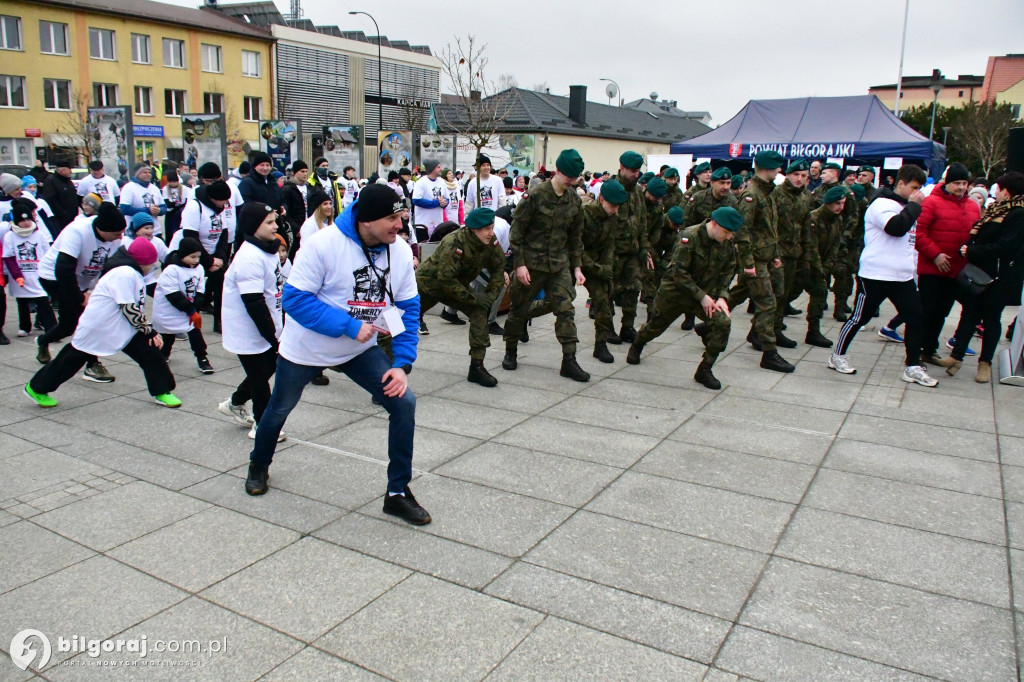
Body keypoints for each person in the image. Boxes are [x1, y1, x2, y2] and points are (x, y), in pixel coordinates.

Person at [244, 185, 428, 530]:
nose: (399, 225)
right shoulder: (324, 244)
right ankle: (259, 463)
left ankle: (397, 493)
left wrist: (402, 364)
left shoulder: (399, 251)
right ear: (367, 220)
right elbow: (296, 300)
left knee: (404, 403)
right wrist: (346, 325)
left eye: (401, 217)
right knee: (279, 408)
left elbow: (407, 308)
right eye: (391, 219)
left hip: (359, 349)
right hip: (306, 349)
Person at [24, 238, 181, 409]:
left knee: (149, 352)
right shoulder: (125, 273)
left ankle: (162, 390)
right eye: (152, 264)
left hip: (121, 325)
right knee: (71, 360)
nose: (152, 268)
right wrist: (148, 330)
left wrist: (146, 331)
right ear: (144, 262)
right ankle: (37, 388)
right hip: (99, 327)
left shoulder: (131, 272)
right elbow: (128, 307)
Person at [829, 164, 939, 387]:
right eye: (914, 187)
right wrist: (915, 207)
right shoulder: (882, 204)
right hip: (876, 274)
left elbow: (909, 238)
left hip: (902, 276)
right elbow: (896, 228)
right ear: (900, 183)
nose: (918, 193)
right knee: (860, 317)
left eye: (920, 188)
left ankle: (913, 366)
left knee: (916, 317)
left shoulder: (908, 206)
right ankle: (837, 355)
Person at [627, 206, 742, 390]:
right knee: (655, 327)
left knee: (723, 323)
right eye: (727, 232)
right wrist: (703, 296)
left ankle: (705, 369)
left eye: (731, 234)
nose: (729, 237)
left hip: (703, 295)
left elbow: (728, 270)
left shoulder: (726, 242)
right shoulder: (690, 237)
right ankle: (638, 343)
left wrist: (722, 296)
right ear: (714, 224)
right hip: (675, 293)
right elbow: (678, 272)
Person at [501, 149, 590, 382]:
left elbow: (575, 238)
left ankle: (569, 360)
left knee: (566, 309)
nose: (572, 181)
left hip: (559, 265)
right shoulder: (535, 195)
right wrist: (519, 264)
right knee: (518, 309)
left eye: (575, 177)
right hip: (531, 264)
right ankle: (511, 351)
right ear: (557, 171)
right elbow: (517, 231)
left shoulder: (574, 200)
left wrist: (577, 267)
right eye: (569, 175)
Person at [945, 171, 1024, 382]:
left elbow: (1006, 246)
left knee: (990, 318)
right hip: (980, 272)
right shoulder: (995, 210)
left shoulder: (1018, 213)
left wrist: (971, 252)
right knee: (969, 314)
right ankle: (956, 357)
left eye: (998, 188)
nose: (995, 192)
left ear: (1006, 191)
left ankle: (985, 362)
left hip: (1000, 276)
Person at [416, 208, 507, 386]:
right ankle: (385, 372)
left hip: (456, 285)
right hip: (429, 285)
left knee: (479, 311)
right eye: (486, 229)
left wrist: (490, 295)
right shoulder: (454, 242)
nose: (491, 233)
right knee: (402, 323)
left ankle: (477, 367)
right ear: (474, 229)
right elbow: (445, 279)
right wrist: (475, 299)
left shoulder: (490, 240)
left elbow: (499, 267)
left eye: (492, 227)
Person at [35, 202, 125, 380]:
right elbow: (63, 269)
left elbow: (110, 267)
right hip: (54, 278)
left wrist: (99, 292)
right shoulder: (77, 231)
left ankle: (43, 340)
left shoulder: (115, 237)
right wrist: (79, 297)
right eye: (116, 233)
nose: (120, 237)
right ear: (103, 229)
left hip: (82, 280)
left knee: (69, 326)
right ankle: (92, 364)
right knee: (86, 320)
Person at [219, 203, 286, 440]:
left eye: (274, 221)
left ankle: (234, 402)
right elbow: (254, 303)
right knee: (260, 380)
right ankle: (263, 425)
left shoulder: (268, 251)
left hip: (269, 328)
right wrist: (273, 337)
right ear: (253, 226)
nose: (275, 226)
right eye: (269, 222)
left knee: (268, 369)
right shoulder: (248, 257)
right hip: (249, 330)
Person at [726, 150, 795, 373]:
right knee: (767, 303)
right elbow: (742, 230)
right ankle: (769, 352)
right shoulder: (752, 195)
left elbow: (768, 228)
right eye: (776, 168)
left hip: (765, 256)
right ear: (767, 168)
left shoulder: (768, 192)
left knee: (740, 293)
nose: (779, 172)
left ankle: (710, 325)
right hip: (754, 258)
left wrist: (774, 253)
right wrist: (747, 262)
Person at [912, 162, 979, 368]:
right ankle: (915, 351)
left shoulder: (972, 206)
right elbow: (919, 233)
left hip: (956, 270)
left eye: (964, 183)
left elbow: (976, 234)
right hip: (933, 268)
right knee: (926, 311)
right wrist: (935, 255)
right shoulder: (931, 202)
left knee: (941, 312)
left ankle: (929, 349)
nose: (960, 187)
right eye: (957, 183)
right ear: (947, 183)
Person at [171, 179, 232, 331]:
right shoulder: (195, 206)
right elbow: (191, 237)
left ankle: (220, 320)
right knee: (191, 288)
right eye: (223, 200)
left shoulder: (220, 209)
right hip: (192, 255)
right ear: (213, 198)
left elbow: (223, 235)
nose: (225, 204)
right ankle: (186, 320)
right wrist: (208, 261)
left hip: (213, 254)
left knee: (221, 281)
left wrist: (220, 259)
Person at [581, 179, 627, 363]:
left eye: (618, 206)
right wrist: (597, 268)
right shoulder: (583, 215)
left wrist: (607, 268)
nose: (616, 210)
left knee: (603, 301)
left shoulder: (612, 216)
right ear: (601, 199)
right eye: (613, 205)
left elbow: (609, 244)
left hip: (597, 266)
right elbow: (574, 247)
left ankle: (600, 346)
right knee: (554, 303)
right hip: (574, 264)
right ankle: (526, 317)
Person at [153, 237, 212, 374]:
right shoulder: (171, 270)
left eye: (198, 257)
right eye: (192, 257)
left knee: (195, 334)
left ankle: (202, 358)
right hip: (170, 310)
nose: (196, 260)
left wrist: (196, 305)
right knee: (168, 335)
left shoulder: (199, 269)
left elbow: (200, 289)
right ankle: (164, 354)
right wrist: (191, 311)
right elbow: (174, 296)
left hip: (188, 310)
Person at [771, 159, 814, 346]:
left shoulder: (806, 196)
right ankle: (770, 330)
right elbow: (770, 225)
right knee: (776, 294)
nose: (799, 179)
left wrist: (806, 252)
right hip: (778, 252)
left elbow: (805, 225)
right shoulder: (776, 194)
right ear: (787, 175)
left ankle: (773, 328)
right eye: (796, 175)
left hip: (795, 252)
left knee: (785, 293)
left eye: (803, 176)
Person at [610, 151, 651, 344]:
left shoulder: (637, 192)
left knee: (634, 289)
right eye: (633, 171)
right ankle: (606, 328)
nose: (636, 175)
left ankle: (627, 327)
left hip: (633, 251)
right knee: (608, 291)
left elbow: (642, 222)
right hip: (614, 251)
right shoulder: (612, 189)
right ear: (622, 168)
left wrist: (644, 248)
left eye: (638, 171)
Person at [799, 186, 848, 347]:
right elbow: (810, 248)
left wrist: (826, 268)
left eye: (842, 203)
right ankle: (768, 328)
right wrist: (819, 270)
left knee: (819, 293)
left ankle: (813, 331)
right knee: (786, 295)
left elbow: (835, 245)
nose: (839, 207)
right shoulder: (814, 218)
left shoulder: (837, 219)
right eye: (836, 203)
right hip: (804, 264)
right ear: (827, 203)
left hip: (820, 265)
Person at [2, 199, 56, 338]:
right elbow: (8, 257)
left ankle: (52, 328)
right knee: (22, 301)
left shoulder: (39, 235)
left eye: (27, 219)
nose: (25, 223)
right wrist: (16, 275)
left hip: (37, 273)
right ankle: (25, 326)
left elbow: (47, 253)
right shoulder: (10, 236)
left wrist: (47, 272)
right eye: (22, 220)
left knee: (42, 300)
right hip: (20, 275)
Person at [811, 163, 859, 320]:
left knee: (842, 274)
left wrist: (845, 236)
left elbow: (853, 216)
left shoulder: (846, 193)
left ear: (834, 174)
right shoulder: (818, 191)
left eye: (825, 172)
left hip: (839, 239)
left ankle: (840, 306)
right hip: (820, 239)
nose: (821, 175)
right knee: (821, 274)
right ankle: (821, 302)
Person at [122, 213, 168, 296]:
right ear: (136, 229)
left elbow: (168, 259)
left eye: (152, 227)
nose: (150, 231)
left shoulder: (157, 241)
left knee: (163, 296)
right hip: (129, 280)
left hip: (149, 280)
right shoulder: (125, 241)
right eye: (146, 228)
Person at [118, 163, 167, 238]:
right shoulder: (129, 187)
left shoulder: (154, 188)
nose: (148, 174)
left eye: (149, 172)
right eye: (145, 172)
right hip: (136, 232)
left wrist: (159, 211)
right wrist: (148, 211)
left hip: (155, 231)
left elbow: (163, 207)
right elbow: (124, 209)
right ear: (137, 174)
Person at [39, 160, 79, 235]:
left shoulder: (68, 181)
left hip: (72, 218)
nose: (71, 172)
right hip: (61, 220)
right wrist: (63, 213)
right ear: (63, 170)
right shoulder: (50, 181)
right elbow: (51, 200)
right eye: (69, 169)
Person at [412, 160, 449, 238]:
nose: (441, 169)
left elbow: (447, 198)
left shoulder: (442, 182)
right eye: (438, 167)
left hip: (438, 224)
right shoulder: (421, 182)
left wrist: (444, 203)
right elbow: (416, 200)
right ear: (432, 169)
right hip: (423, 224)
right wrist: (437, 203)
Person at [282, 161, 309, 250]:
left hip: (309, 227)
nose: (305, 174)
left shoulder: (309, 188)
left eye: (306, 171)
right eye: (302, 171)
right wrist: (296, 229)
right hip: (296, 230)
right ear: (295, 172)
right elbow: (286, 212)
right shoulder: (288, 189)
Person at [161, 170, 192, 245]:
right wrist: (173, 205)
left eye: (174, 182)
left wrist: (179, 206)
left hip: (180, 211)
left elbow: (187, 201)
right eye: (171, 182)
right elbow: (166, 201)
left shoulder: (184, 188)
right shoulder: (165, 189)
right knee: (169, 232)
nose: (173, 184)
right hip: (170, 212)